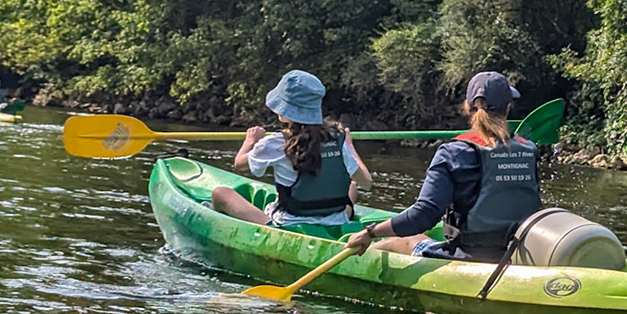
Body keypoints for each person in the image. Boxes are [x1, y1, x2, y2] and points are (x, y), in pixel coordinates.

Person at [348, 71, 542, 261]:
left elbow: (423, 216)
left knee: (405, 241)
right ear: (508, 108)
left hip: (468, 257)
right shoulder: (529, 149)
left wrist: (371, 232)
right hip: (518, 254)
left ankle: (355, 262)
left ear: (468, 107)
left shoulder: (453, 152)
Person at [210, 69, 372, 237]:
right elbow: (366, 182)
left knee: (220, 193)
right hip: (337, 219)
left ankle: (267, 228)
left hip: (289, 225)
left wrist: (250, 141)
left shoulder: (276, 142)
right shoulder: (336, 139)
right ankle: (335, 221)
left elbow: (240, 165)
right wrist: (349, 145)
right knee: (352, 186)